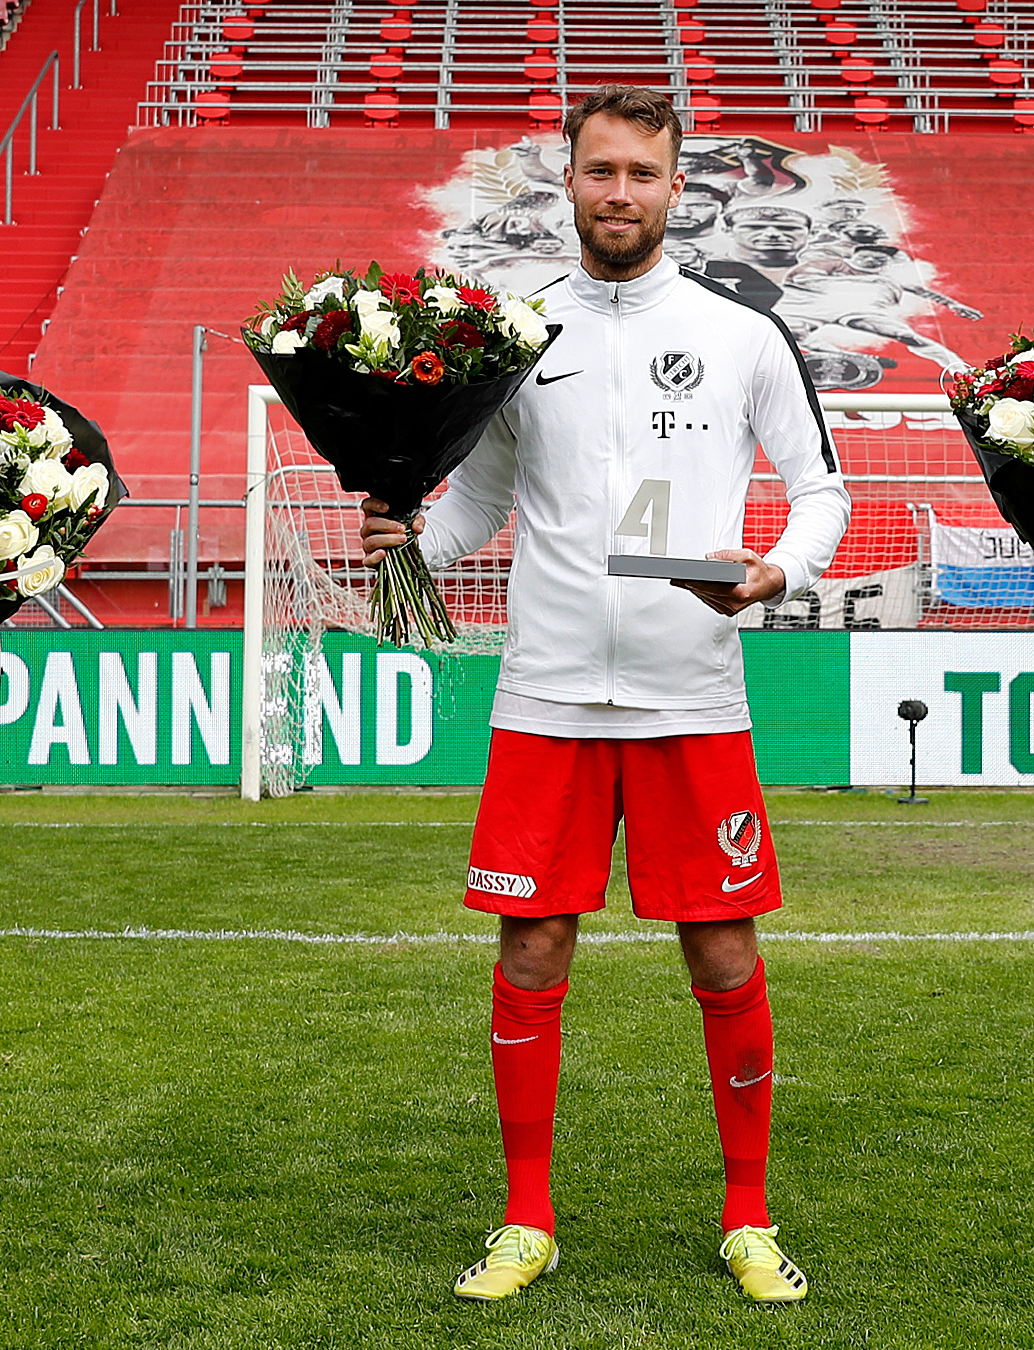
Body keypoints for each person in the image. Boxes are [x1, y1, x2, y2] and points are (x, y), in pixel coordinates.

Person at [357, 83, 849, 1306]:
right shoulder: (518, 337)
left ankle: (748, 1215)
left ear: (678, 187)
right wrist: (407, 538)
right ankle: (527, 1217)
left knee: (726, 951)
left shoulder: (743, 336)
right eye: (599, 172)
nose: (619, 192)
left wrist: (781, 567)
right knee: (530, 948)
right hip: (549, 697)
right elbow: (478, 504)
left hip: (695, 696)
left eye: (641, 173)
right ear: (565, 183)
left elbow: (822, 489)